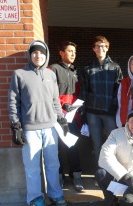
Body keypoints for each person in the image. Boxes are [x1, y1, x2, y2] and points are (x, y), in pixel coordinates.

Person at [8, 40, 68, 206]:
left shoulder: (50, 75)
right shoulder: (19, 74)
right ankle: (35, 199)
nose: (38, 55)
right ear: (29, 54)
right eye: (35, 52)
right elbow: (13, 101)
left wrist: (61, 120)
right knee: (32, 166)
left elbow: (55, 100)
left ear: (46, 55)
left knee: (52, 163)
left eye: (41, 53)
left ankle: (55, 194)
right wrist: (15, 126)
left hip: (50, 128)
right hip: (30, 128)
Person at [81, 35, 123, 175]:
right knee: (97, 144)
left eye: (103, 46)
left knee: (112, 144)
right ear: (94, 49)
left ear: (107, 48)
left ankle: (113, 172)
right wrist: (84, 113)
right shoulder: (87, 69)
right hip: (92, 113)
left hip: (109, 113)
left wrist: (114, 108)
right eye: (98, 46)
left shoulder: (115, 68)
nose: (100, 48)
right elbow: (84, 93)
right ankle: (100, 173)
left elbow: (119, 91)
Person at [49, 41, 84, 192]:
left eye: (74, 52)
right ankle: (58, 178)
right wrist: (61, 108)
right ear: (61, 53)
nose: (72, 54)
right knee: (56, 149)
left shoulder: (76, 71)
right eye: (69, 51)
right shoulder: (53, 69)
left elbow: (79, 94)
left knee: (73, 147)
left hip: (73, 117)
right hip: (57, 117)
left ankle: (76, 177)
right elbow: (50, 93)